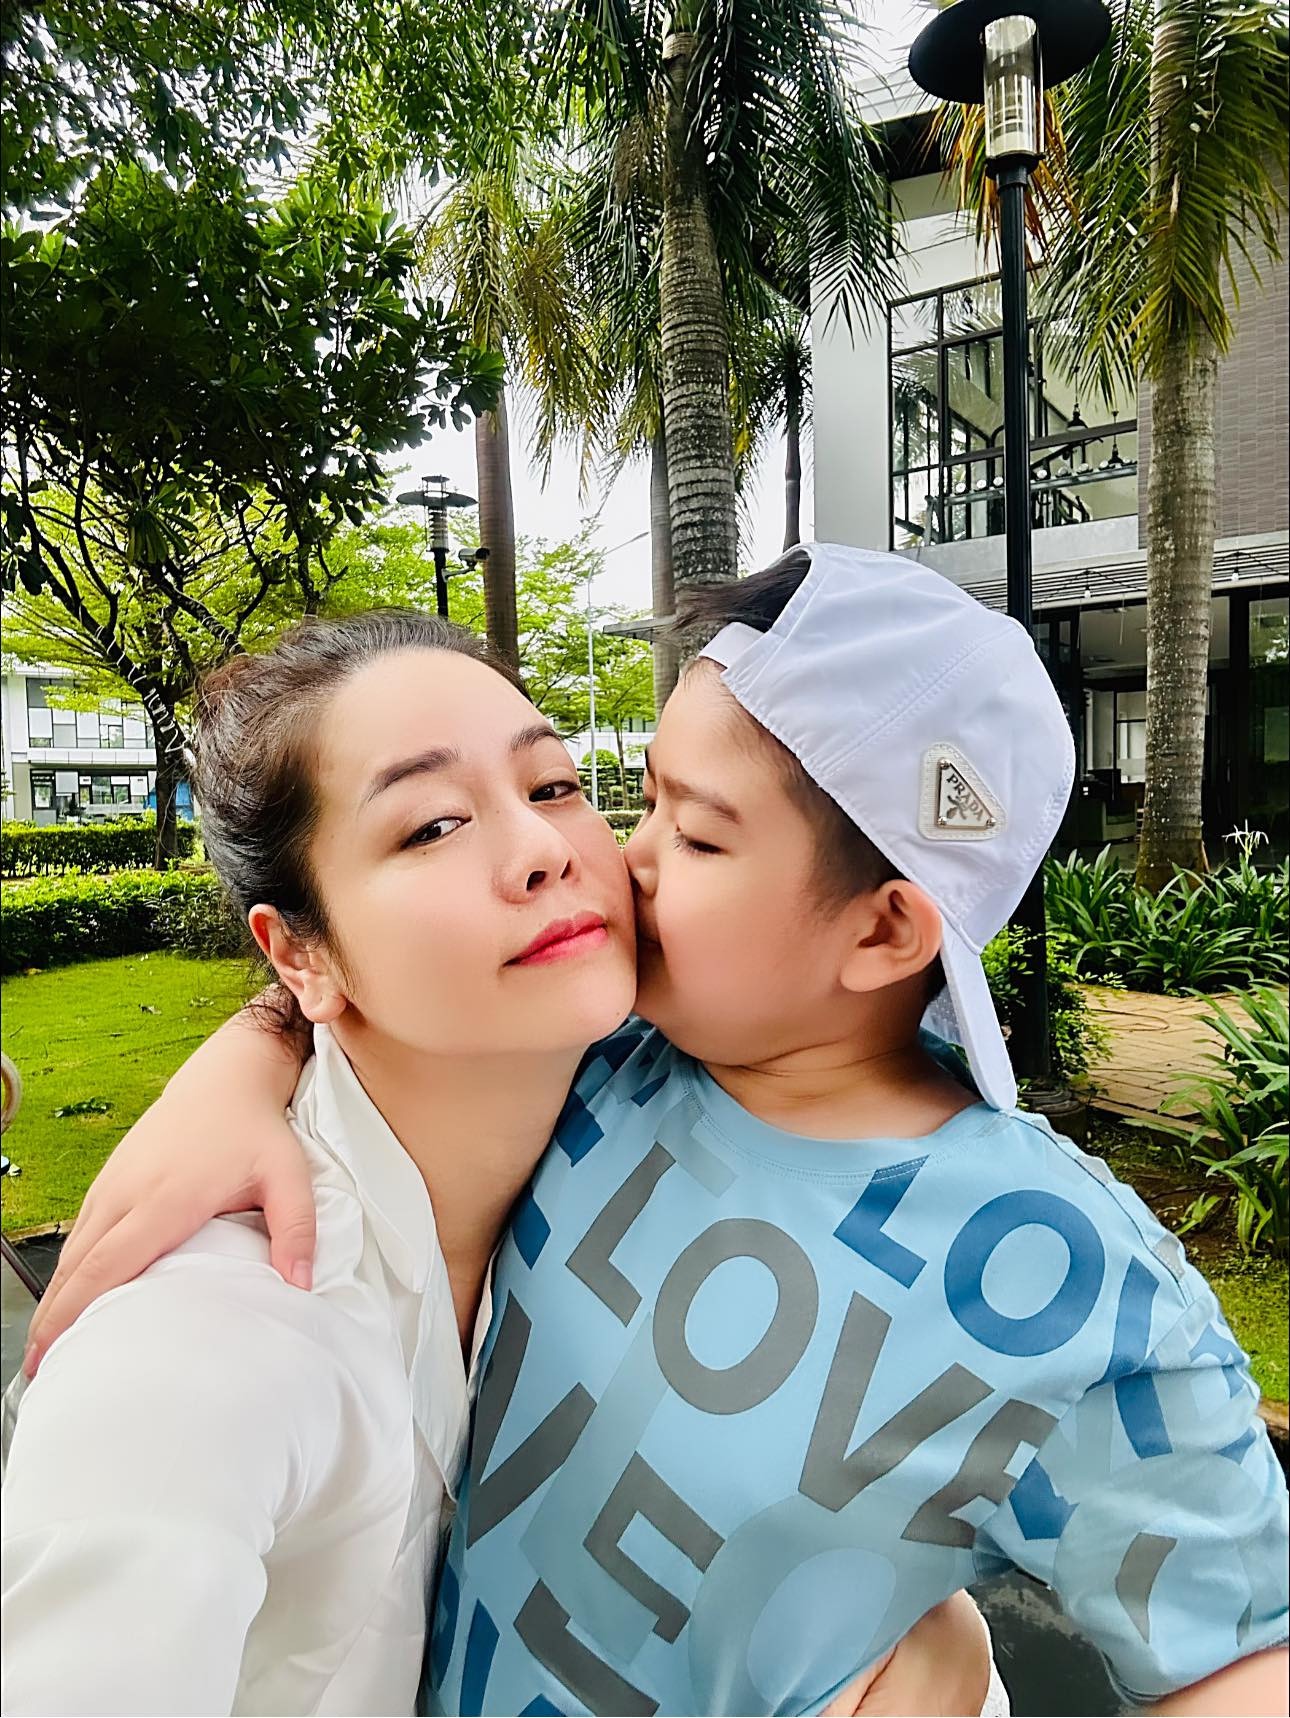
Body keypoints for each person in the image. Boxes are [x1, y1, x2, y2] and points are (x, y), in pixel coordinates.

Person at [20, 545, 1288, 1712]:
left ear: (884, 930)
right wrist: (240, 1063)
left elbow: (1232, 1649)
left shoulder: (1062, 1275)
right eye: (632, 799)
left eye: (683, 827)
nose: (594, 855)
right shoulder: (587, 1075)